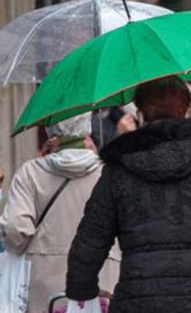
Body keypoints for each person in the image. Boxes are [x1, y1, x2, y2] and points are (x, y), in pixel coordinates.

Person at [65, 76, 191, 313]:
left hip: (139, 302)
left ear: (140, 112)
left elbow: (89, 243)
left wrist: (82, 291)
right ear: (186, 109)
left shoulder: (118, 172)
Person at [0, 113, 120, 313]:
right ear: (87, 129)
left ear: (50, 130)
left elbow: (15, 231)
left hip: (45, 291)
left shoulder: (30, 173)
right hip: (103, 284)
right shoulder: (110, 173)